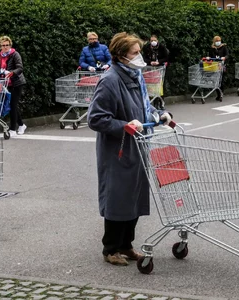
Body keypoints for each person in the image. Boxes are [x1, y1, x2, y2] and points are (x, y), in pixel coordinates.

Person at [87, 32, 172, 266]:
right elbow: (95, 119)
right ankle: (110, 248)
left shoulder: (135, 75)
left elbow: (143, 108)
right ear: (121, 55)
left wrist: (157, 115)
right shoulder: (110, 80)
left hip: (138, 144)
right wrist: (123, 126)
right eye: (135, 53)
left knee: (133, 196)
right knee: (117, 197)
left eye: (139, 51)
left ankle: (126, 245)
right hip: (118, 149)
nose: (139, 56)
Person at [0, 36, 27, 137]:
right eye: (3, 45)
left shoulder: (15, 54)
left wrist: (12, 73)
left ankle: (13, 129)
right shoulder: (0, 55)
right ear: (0, 46)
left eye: (7, 45)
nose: (5, 47)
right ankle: (21, 125)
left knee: (13, 105)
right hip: (6, 83)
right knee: (12, 105)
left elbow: (20, 68)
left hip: (17, 83)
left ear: (10, 45)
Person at [142, 35, 169, 110]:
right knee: (151, 85)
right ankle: (152, 101)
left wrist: (159, 62)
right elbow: (144, 58)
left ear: (157, 41)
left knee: (160, 85)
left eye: (155, 40)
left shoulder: (162, 47)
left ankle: (161, 102)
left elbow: (166, 57)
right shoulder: (147, 47)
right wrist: (150, 62)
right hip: (150, 68)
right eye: (151, 41)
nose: (153, 42)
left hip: (160, 68)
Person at [207, 35, 229, 101]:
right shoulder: (212, 48)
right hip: (214, 65)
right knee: (215, 80)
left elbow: (227, 55)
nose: (218, 42)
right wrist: (208, 58)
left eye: (219, 41)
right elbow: (210, 56)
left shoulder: (223, 47)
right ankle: (218, 94)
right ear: (214, 41)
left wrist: (224, 57)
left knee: (221, 80)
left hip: (221, 65)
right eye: (217, 41)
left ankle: (221, 93)